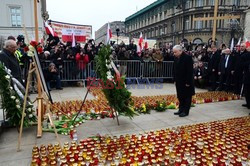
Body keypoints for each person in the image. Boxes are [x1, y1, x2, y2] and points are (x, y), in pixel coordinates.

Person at [173, 45, 195, 117]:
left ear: (180, 51)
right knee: (180, 96)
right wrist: (174, 79)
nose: (174, 53)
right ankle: (181, 109)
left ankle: (186, 111)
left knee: (187, 97)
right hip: (179, 81)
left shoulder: (187, 58)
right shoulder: (176, 58)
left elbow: (189, 71)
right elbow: (174, 70)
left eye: (175, 52)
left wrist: (188, 82)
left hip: (186, 82)